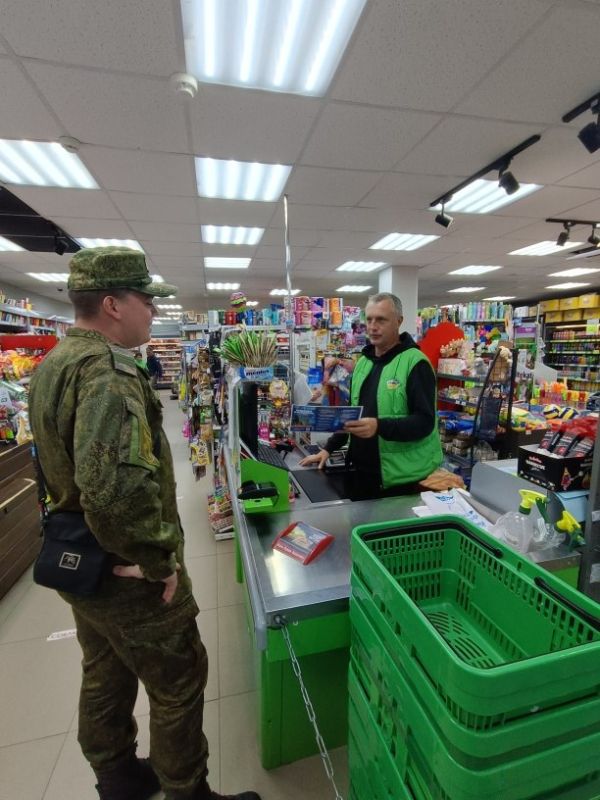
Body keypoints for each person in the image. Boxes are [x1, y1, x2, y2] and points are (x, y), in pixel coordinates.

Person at [29, 247, 260, 800]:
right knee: (179, 679)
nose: (153, 312)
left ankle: (118, 779)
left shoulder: (55, 363)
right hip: (126, 572)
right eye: (146, 301)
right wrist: (158, 563)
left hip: (81, 561)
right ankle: (186, 790)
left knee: (104, 670)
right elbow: (113, 493)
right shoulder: (108, 374)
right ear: (112, 305)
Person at [300, 292, 442, 499]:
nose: (373, 326)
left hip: (400, 479)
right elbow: (352, 416)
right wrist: (328, 449)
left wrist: (379, 426)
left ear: (399, 321)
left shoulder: (415, 363)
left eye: (381, 320)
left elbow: (425, 422)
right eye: (369, 319)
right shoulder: (363, 363)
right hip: (360, 472)